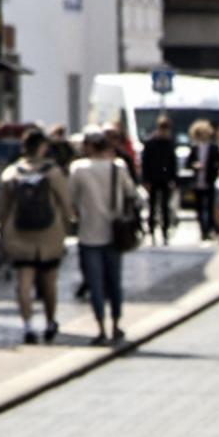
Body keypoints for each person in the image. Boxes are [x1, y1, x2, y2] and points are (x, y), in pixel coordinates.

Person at [0, 128, 73, 344]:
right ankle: (50, 322)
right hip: (49, 233)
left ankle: (28, 326)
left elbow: (2, 206)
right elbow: (66, 203)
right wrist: (68, 225)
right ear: (43, 147)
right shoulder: (53, 172)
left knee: (24, 281)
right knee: (49, 281)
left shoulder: (12, 172)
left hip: (19, 232)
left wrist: (1, 230)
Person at [67, 129, 132, 346]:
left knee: (95, 284)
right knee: (115, 282)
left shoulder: (78, 169)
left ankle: (101, 328)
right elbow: (131, 194)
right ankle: (115, 325)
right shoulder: (118, 168)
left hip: (89, 233)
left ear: (89, 148)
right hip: (115, 232)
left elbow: (71, 199)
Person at [140, 115, 178, 245]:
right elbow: (145, 163)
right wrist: (145, 180)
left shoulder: (169, 143)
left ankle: (165, 233)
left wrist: (173, 179)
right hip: (152, 179)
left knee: (165, 207)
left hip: (165, 179)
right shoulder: (150, 143)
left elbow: (173, 163)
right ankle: (151, 232)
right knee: (152, 207)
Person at [186, 120, 219, 240]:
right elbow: (188, 164)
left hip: (210, 180)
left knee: (211, 206)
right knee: (199, 208)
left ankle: (212, 229)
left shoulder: (214, 147)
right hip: (197, 182)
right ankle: (203, 231)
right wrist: (194, 166)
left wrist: (214, 169)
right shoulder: (195, 148)